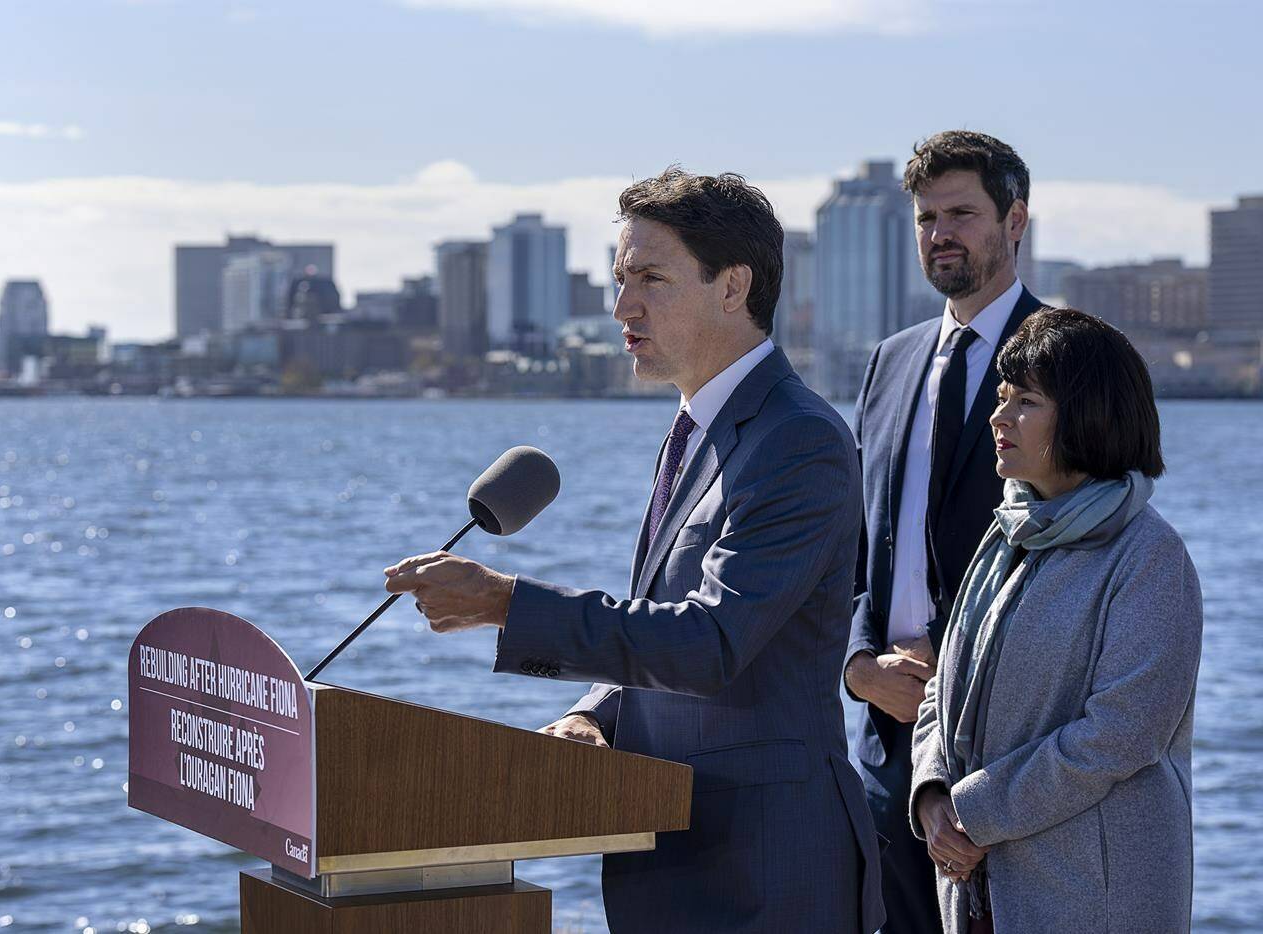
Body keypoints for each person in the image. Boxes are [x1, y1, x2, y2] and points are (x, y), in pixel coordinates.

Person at [383, 168, 884, 934]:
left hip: (767, 873)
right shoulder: (695, 430)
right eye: (621, 280)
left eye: (651, 278)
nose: (623, 307)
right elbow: (662, 626)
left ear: (732, 286)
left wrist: (502, 603)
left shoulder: (801, 441)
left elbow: (712, 641)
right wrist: (598, 715)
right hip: (671, 860)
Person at [910, 307, 1202, 933]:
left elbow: (1120, 735)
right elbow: (945, 686)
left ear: (1086, 415)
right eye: (1001, 396)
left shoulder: (1149, 557)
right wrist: (932, 795)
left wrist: (974, 812)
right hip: (978, 894)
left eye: (1025, 401)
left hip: (1094, 902)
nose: (998, 416)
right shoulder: (1007, 535)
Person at [841, 130, 1042, 932]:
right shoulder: (890, 361)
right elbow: (858, 546)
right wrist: (856, 665)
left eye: (961, 213)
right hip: (885, 734)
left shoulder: (1069, 359)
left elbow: (1084, 549)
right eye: (926, 218)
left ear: (1015, 220)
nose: (939, 235)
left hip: (1004, 741)